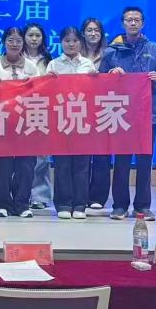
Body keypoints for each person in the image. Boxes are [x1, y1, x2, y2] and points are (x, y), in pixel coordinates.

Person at [100, 6, 156, 222]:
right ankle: (120, 205)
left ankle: (143, 206)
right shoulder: (111, 51)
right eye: (129, 20)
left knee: (145, 162)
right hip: (120, 114)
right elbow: (100, 81)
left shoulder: (154, 49)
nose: (132, 23)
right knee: (121, 162)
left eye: (136, 20)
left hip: (147, 115)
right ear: (122, 23)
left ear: (142, 23)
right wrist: (111, 74)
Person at [0, 26, 41, 218]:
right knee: (3, 165)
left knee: (26, 165)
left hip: (26, 122)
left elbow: (40, 93)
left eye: (18, 41)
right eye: (10, 40)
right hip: (1, 122)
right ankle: (2, 203)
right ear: (4, 42)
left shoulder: (31, 67)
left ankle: (22, 203)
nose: (14, 44)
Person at [46, 27, 98, 219]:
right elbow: (45, 93)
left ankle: (80, 205)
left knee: (82, 165)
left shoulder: (88, 64)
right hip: (60, 120)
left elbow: (96, 93)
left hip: (82, 121)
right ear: (61, 42)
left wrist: (95, 79)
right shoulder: (53, 64)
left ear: (80, 43)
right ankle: (63, 204)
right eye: (67, 40)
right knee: (62, 165)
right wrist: (48, 81)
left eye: (75, 40)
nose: (71, 44)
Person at [82, 17, 112, 216]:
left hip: (104, 108)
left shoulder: (111, 53)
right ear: (83, 33)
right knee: (82, 155)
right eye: (89, 30)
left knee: (102, 155)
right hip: (81, 108)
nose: (93, 34)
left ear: (101, 34)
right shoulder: (75, 53)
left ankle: (98, 197)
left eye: (96, 30)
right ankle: (81, 194)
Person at [24, 22, 54, 211]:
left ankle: (40, 196)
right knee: (21, 157)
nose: (34, 39)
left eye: (38, 36)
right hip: (19, 111)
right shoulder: (16, 58)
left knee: (42, 157)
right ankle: (21, 194)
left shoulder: (49, 60)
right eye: (30, 35)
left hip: (42, 110)